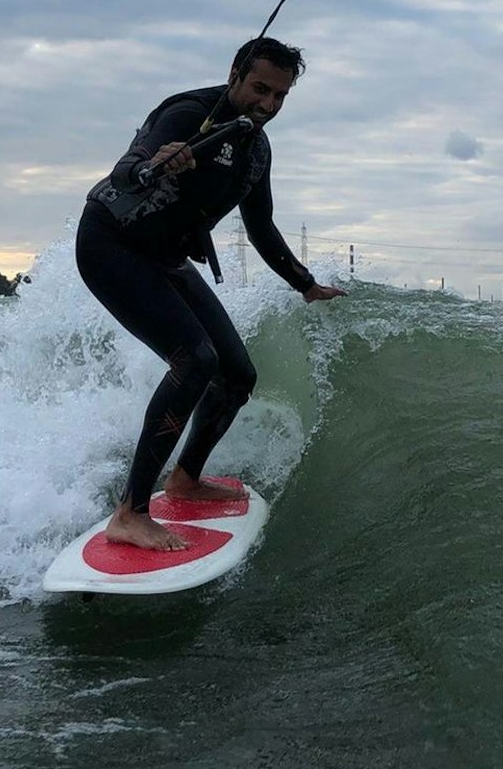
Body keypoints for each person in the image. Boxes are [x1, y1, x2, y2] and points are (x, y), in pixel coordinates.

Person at [76, 37, 347, 551]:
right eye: (260, 89)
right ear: (235, 75)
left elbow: (261, 225)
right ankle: (130, 512)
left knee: (237, 373)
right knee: (193, 361)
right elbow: (126, 169)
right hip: (112, 244)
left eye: (281, 96)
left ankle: (184, 479)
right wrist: (154, 164)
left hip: (167, 258)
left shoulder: (255, 149)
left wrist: (304, 283)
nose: (268, 105)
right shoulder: (187, 115)